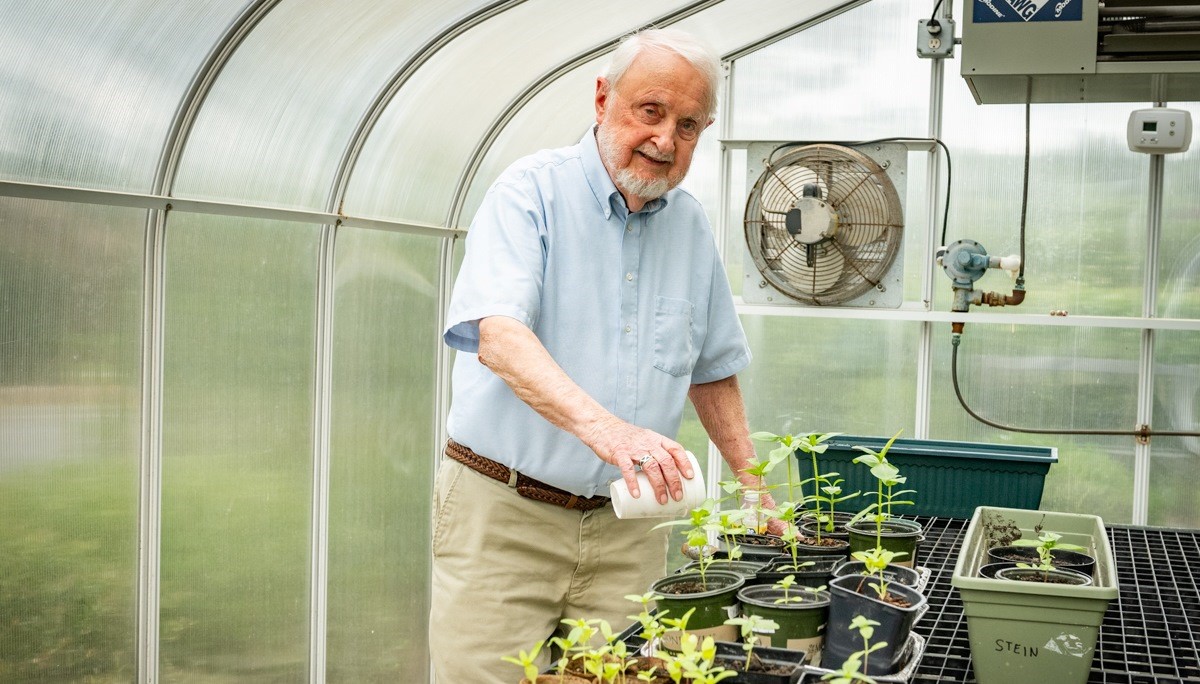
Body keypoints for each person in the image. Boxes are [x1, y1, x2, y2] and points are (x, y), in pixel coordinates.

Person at [429, 27, 779, 683]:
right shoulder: (528, 194)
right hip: (504, 520)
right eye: (650, 111)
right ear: (601, 100)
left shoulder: (689, 225)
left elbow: (712, 368)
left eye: (689, 125)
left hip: (629, 529)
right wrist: (609, 431)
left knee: (622, 676)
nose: (665, 140)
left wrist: (753, 482)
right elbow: (500, 340)